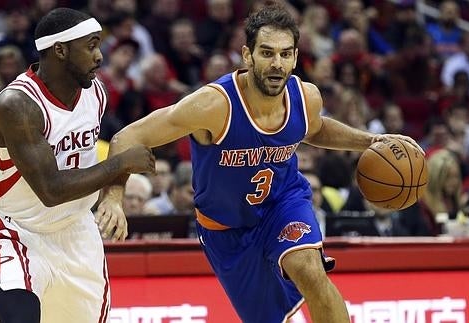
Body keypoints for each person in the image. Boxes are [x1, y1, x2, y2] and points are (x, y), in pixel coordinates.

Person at [98, 5, 423, 323]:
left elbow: (316, 127)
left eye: (285, 54)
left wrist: (370, 140)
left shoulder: (305, 96)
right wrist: (114, 198)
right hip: (226, 228)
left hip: (283, 203)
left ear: (296, 57)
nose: (277, 64)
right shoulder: (213, 106)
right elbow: (127, 137)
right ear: (247, 55)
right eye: (267, 53)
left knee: (312, 273)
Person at [0, 8, 155, 323]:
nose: (100, 56)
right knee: (17, 314)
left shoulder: (95, 92)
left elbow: (118, 146)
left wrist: (114, 195)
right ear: (60, 49)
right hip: (17, 229)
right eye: (91, 46)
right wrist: (121, 164)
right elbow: (51, 189)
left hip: (76, 230)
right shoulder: (18, 105)